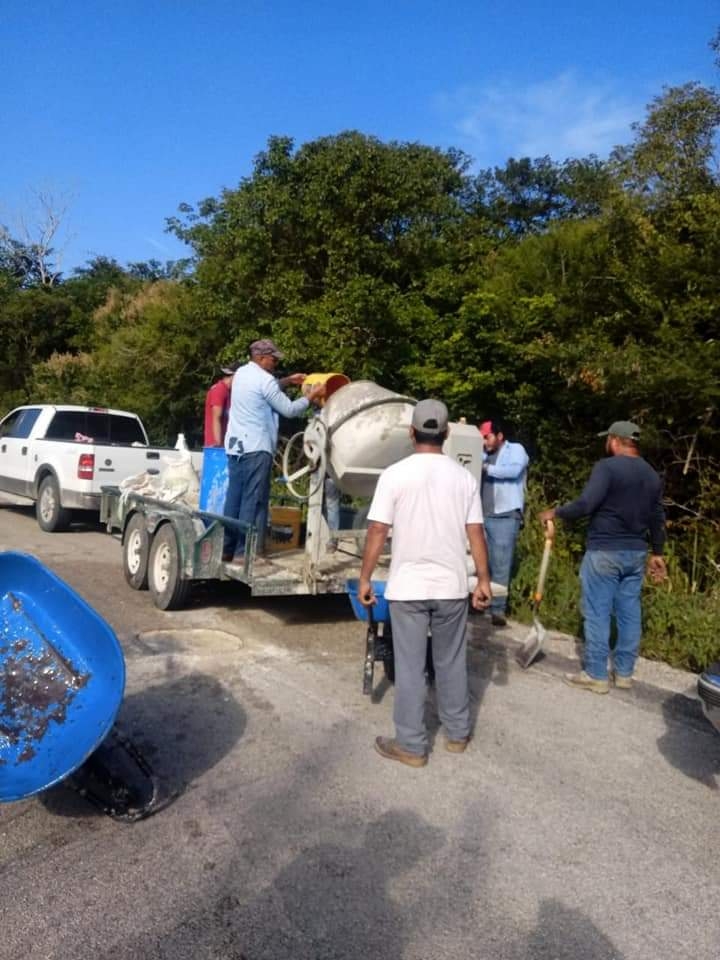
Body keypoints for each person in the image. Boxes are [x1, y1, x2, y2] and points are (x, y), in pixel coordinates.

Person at [358, 399, 492, 768]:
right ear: (447, 434)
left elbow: (378, 530)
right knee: (450, 661)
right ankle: (457, 733)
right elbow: (476, 532)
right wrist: (482, 579)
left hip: (408, 589)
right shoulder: (464, 478)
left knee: (412, 665)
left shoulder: (395, 475)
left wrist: (365, 577)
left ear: (411, 433)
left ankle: (412, 747)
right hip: (451, 587)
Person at [539, 420, 667, 694]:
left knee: (597, 610)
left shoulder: (607, 468)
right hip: (636, 552)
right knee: (629, 611)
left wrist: (556, 513)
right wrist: (658, 552)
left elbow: (586, 504)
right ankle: (623, 674)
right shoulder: (652, 475)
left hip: (605, 550)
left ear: (615, 440)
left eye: (607, 439)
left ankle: (596, 674)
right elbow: (657, 517)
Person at [223, 339, 325, 560]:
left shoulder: (241, 373)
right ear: (261, 358)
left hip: (235, 447)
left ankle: (227, 548)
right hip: (257, 448)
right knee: (253, 501)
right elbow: (289, 410)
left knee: (234, 497)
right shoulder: (266, 381)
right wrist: (311, 397)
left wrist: (287, 381)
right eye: (273, 358)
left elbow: (262, 390)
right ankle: (244, 553)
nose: (276, 361)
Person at [478, 419, 529, 626]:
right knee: (481, 564)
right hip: (482, 515)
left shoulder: (515, 450)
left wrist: (485, 468)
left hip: (505, 515)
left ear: (499, 436)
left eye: (487, 437)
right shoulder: (482, 453)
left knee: (500, 564)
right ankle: (480, 603)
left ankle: (498, 609)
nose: (484, 441)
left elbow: (513, 471)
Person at [204, 362, 239, 447]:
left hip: (226, 445)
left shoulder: (229, 392)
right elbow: (216, 418)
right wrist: (218, 444)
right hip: (216, 447)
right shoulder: (219, 390)